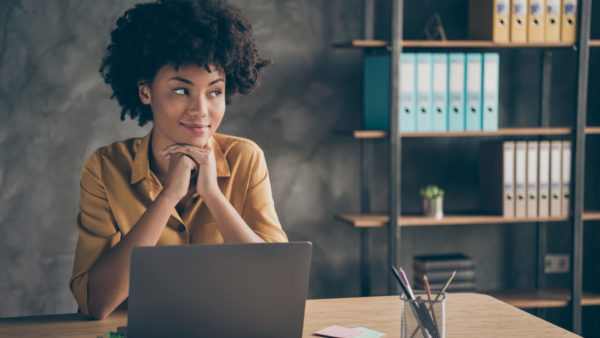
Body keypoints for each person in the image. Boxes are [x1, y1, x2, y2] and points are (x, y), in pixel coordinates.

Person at [69, 0, 288, 320]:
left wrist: (213, 196)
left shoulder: (245, 159)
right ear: (145, 91)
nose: (201, 110)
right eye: (182, 91)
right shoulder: (105, 168)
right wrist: (167, 197)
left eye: (214, 92)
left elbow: (279, 283)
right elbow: (96, 304)